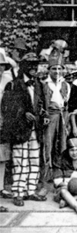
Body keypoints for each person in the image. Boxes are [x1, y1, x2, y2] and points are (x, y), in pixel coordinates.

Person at [2, 52, 49, 206]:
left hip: (36, 128)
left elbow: (41, 104)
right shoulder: (14, 85)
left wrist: (43, 114)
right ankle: (18, 192)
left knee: (34, 159)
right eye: (31, 66)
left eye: (36, 65)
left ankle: (30, 190)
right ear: (24, 67)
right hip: (20, 130)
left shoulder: (39, 85)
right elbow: (6, 108)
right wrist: (23, 114)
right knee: (20, 161)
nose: (35, 68)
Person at [41, 49, 71, 184]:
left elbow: (66, 102)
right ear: (49, 69)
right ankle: (46, 173)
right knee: (48, 143)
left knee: (62, 143)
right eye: (54, 68)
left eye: (59, 68)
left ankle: (59, 171)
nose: (57, 71)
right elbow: (40, 102)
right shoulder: (44, 84)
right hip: (50, 115)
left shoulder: (65, 85)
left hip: (62, 115)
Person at [0, 53, 13, 205]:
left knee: (2, 157)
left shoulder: (8, 81)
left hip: (3, 123)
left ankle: (1, 187)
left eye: (1, 66)